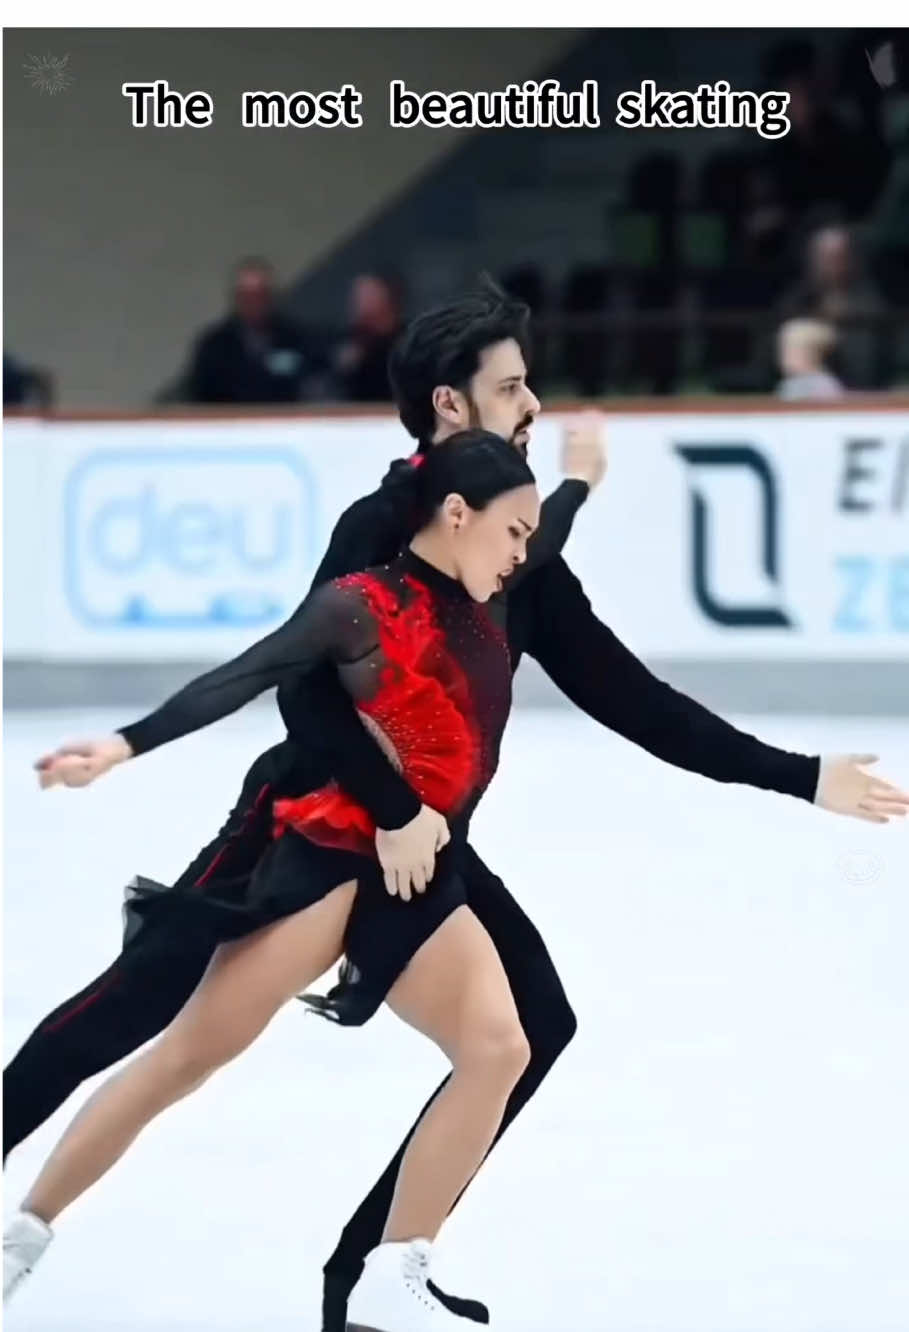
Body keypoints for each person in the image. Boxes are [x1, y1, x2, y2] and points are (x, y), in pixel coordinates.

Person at [6, 280, 906, 1332]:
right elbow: (302, 689)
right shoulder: (378, 532)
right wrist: (390, 808)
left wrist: (798, 775)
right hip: (307, 820)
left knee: (526, 1027)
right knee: (140, 1012)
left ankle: (375, 1276)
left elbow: (630, 698)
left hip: (429, 839)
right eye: (513, 387)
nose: (534, 404)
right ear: (450, 407)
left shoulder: (517, 550)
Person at [5, 432, 544, 1332]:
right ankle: (22, 1234)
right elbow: (246, 675)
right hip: (330, 863)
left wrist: (580, 487)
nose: (524, 551)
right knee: (191, 1054)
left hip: (418, 874)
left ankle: (392, 1274)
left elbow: (548, 531)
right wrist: (125, 743)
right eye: (513, 531)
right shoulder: (358, 606)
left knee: (499, 1048)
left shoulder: (490, 596)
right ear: (458, 516)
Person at [184, 257, 328, 404]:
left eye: (260, 295)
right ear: (236, 298)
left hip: (286, 422)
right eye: (247, 296)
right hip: (231, 423)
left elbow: (316, 384)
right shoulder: (214, 345)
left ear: (272, 296)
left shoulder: (298, 338)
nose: (254, 303)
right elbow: (199, 396)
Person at [776, 317, 844, 401]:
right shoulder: (790, 384)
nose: (783, 357)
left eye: (790, 351)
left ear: (813, 354)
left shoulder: (823, 385)